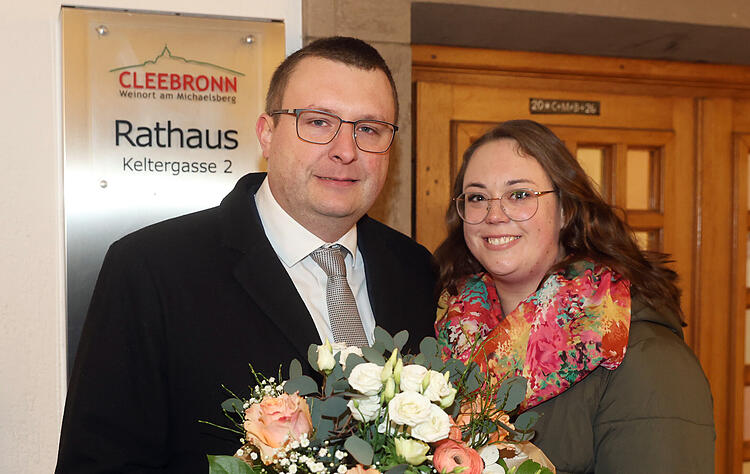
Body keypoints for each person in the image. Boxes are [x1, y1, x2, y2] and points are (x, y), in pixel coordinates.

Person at [56, 37, 436, 472]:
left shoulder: (412, 268)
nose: (346, 150)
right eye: (317, 122)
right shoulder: (151, 270)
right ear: (267, 134)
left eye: (369, 129)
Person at [434, 120, 714, 473]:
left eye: (519, 195)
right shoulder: (444, 337)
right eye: (477, 197)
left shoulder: (647, 357)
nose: (493, 214)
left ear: (566, 210)